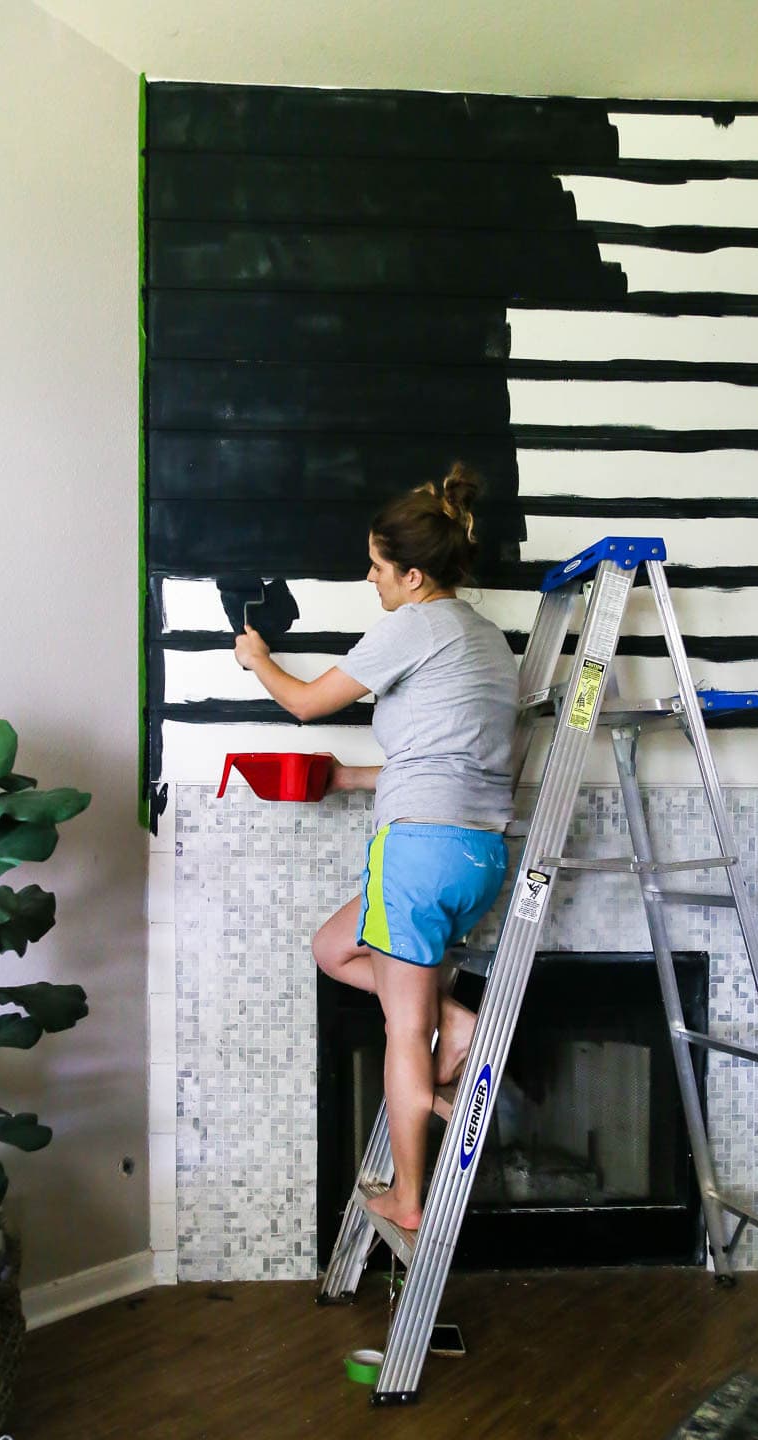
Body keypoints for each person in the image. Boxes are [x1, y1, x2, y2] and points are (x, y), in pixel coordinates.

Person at [234, 463, 519, 1231]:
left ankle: (412, 1197)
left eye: (379, 566)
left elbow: (303, 702)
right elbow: (447, 757)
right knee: (334, 946)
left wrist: (258, 660)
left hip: (418, 852)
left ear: (415, 574)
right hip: (477, 857)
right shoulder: (487, 641)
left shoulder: (413, 624)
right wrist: (354, 779)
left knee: (402, 1030)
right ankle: (454, 1021)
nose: (371, 579)